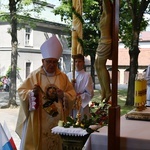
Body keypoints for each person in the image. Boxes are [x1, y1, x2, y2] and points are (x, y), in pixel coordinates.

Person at [15, 35, 76, 150]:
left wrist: (64, 95)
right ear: (43, 61)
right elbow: (22, 91)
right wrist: (32, 93)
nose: (52, 65)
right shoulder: (35, 75)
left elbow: (72, 93)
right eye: (49, 62)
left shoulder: (62, 77)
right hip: (39, 119)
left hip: (58, 120)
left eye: (54, 62)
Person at [94, 0, 112, 102]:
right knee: (96, 66)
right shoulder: (103, 15)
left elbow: (106, 5)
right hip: (102, 41)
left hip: (106, 42)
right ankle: (103, 90)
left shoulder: (108, 14)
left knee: (101, 65)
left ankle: (108, 91)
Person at [67, 54, 94, 119]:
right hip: (70, 102)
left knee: (81, 121)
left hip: (81, 103)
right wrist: (71, 86)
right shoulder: (68, 75)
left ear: (83, 63)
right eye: (76, 61)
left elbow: (90, 93)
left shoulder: (87, 76)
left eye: (79, 61)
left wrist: (79, 97)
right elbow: (65, 89)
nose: (77, 64)